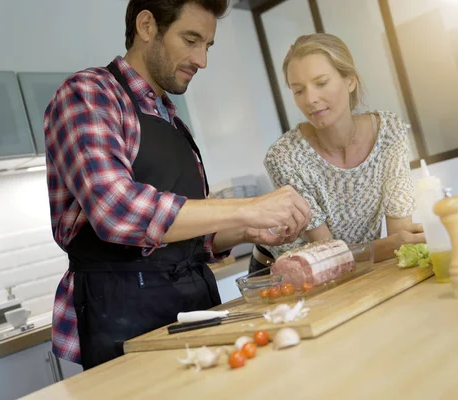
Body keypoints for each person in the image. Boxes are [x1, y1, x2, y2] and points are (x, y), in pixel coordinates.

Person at [44, 0, 311, 370]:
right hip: (123, 315)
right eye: (191, 40)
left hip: (197, 305)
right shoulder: (88, 94)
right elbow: (116, 210)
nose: (201, 60)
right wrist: (249, 206)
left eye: (207, 45)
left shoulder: (171, 118)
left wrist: (248, 230)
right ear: (147, 26)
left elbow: (185, 237)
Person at [249, 33, 424, 273]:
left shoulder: (390, 132)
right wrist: (385, 247)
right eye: (298, 90)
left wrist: (396, 245)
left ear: (350, 81)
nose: (310, 99)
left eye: (321, 83)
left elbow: (400, 238)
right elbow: (328, 254)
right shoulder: (284, 157)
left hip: (361, 264)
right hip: (285, 274)